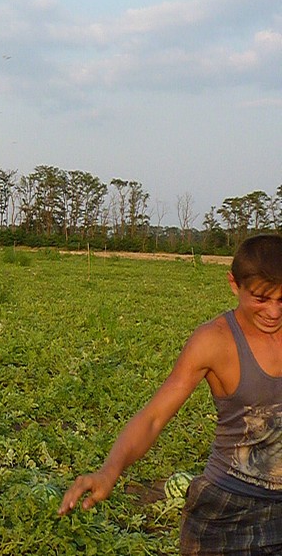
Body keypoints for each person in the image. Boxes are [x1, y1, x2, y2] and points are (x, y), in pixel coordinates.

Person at [59, 233, 282, 554]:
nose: (273, 312)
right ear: (234, 285)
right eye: (261, 299)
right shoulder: (213, 341)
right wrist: (110, 471)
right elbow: (153, 417)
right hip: (229, 508)